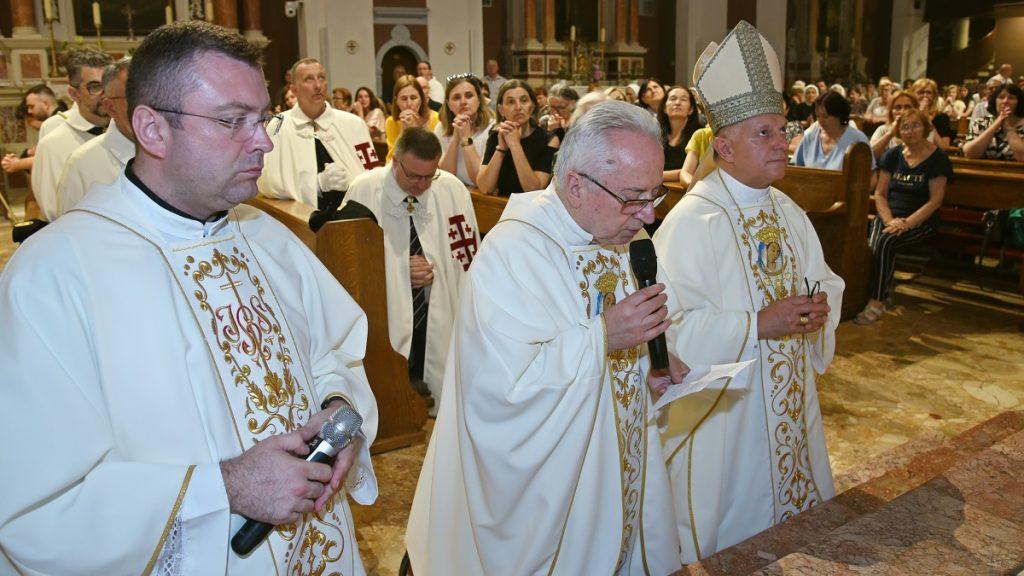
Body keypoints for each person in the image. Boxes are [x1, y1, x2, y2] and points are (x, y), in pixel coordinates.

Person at [0, 21, 378, 574]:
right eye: (232, 121)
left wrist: (338, 409)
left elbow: (333, 352)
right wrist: (224, 488)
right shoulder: (56, 275)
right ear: (152, 129)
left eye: (264, 118)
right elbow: (36, 504)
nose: (265, 141)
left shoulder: (268, 238)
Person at [406, 100, 682, 575]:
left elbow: (599, 350)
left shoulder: (609, 235)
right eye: (634, 198)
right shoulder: (514, 252)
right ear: (575, 184)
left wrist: (645, 372)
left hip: (612, 475)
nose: (647, 217)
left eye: (653, 196)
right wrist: (604, 337)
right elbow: (502, 394)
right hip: (548, 503)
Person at [654, 20, 843, 562]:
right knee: (733, 545)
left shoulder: (788, 210)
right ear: (726, 147)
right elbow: (666, 329)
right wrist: (758, 324)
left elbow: (824, 280)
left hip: (787, 395)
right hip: (727, 417)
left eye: (783, 130)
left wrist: (819, 307)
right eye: (766, 133)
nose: (783, 142)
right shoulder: (693, 221)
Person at [346, 128, 478, 414]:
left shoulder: (451, 188)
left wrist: (437, 268)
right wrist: (398, 268)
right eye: (414, 176)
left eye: (429, 176)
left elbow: (464, 254)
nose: (422, 185)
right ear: (395, 162)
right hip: (386, 305)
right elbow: (351, 255)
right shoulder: (365, 188)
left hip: (435, 301)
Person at [856, 107, 951, 324]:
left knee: (886, 241)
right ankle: (873, 293)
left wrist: (906, 224)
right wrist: (890, 220)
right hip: (889, 216)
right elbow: (880, 193)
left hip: (920, 220)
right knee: (873, 246)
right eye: (905, 127)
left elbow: (935, 201)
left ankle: (877, 301)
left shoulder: (937, 159)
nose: (909, 131)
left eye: (915, 125)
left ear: (925, 128)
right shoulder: (893, 155)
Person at [259, 57, 380, 210]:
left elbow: (372, 173)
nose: (317, 86)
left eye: (321, 78)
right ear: (294, 89)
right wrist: (316, 184)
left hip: (354, 220)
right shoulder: (278, 125)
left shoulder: (354, 124)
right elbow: (267, 182)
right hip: (300, 221)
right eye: (309, 79)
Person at [31, 47, 114, 222]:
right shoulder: (53, 145)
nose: (106, 95)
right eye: (95, 86)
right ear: (73, 94)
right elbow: (54, 212)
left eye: (109, 84)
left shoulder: (129, 129)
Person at [56, 57, 135, 216]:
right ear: (111, 107)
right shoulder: (82, 165)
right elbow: (71, 233)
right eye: (135, 99)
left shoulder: (180, 149)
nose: (152, 109)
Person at [477, 79, 555, 196]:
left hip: (533, 210)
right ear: (501, 110)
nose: (518, 107)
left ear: (532, 106)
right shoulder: (495, 137)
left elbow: (533, 190)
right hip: (501, 208)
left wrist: (515, 145)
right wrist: (501, 149)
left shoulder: (549, 140)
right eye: (511, 102)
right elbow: (485, 187)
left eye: (524, 100)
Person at [435, 73, 494, 186]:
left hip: (482, 196)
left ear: (479, 100)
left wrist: (466, 139)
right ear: (449, 104)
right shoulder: (441, 128)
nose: (463, 102)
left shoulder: (491, 129)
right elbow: (444, 177)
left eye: (469, 95)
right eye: (456, 97)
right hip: (452, 192)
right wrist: (456, 137)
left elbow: (479, 181)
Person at [793, 90, 871, 170]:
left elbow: (871, 178)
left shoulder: (857, 139)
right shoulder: (810, 137)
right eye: (818, 116)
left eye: (825, 116)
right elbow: (797, 170)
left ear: (839, 115)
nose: (820, 121)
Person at [2, 84, 61, 175]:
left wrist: (17, 164)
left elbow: (52, 158)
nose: (29, 111)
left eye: (32, 106)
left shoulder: (54, 122)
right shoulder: (55, 120)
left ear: (46, 104)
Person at [963, 82, 1024, 162]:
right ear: (995, 101)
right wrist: (995, 125)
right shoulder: (981, 123)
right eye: (1001, 97)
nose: (1005, 101)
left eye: (1011, 98)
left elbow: (1022, 157)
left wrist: (1007, 126)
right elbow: (969, 153)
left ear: (1018, 102)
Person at [385, 75, 440, 163]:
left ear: (421, 99)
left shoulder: (436, 119)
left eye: (413, 98)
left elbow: (435, 155)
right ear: (396, 101)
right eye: (404, 99)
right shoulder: (391, 122)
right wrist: (404, 130)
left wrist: (420, 129)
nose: (409, 103)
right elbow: (391, 161)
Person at [658, 85, 702, 182]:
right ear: (664, 108)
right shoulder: (656, 135)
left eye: (683, 99)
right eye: (673, 99)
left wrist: (654, 176)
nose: (677, 103)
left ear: (691, 109)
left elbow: (692, 172)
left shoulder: (700, 134)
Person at [869, 90, 921, 160]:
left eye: (908, 107)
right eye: (898, 107)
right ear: (891, 111)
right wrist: (890, 134)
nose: (902, 112)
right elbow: (869, 155)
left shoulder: (920, 131)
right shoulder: (882, 130)